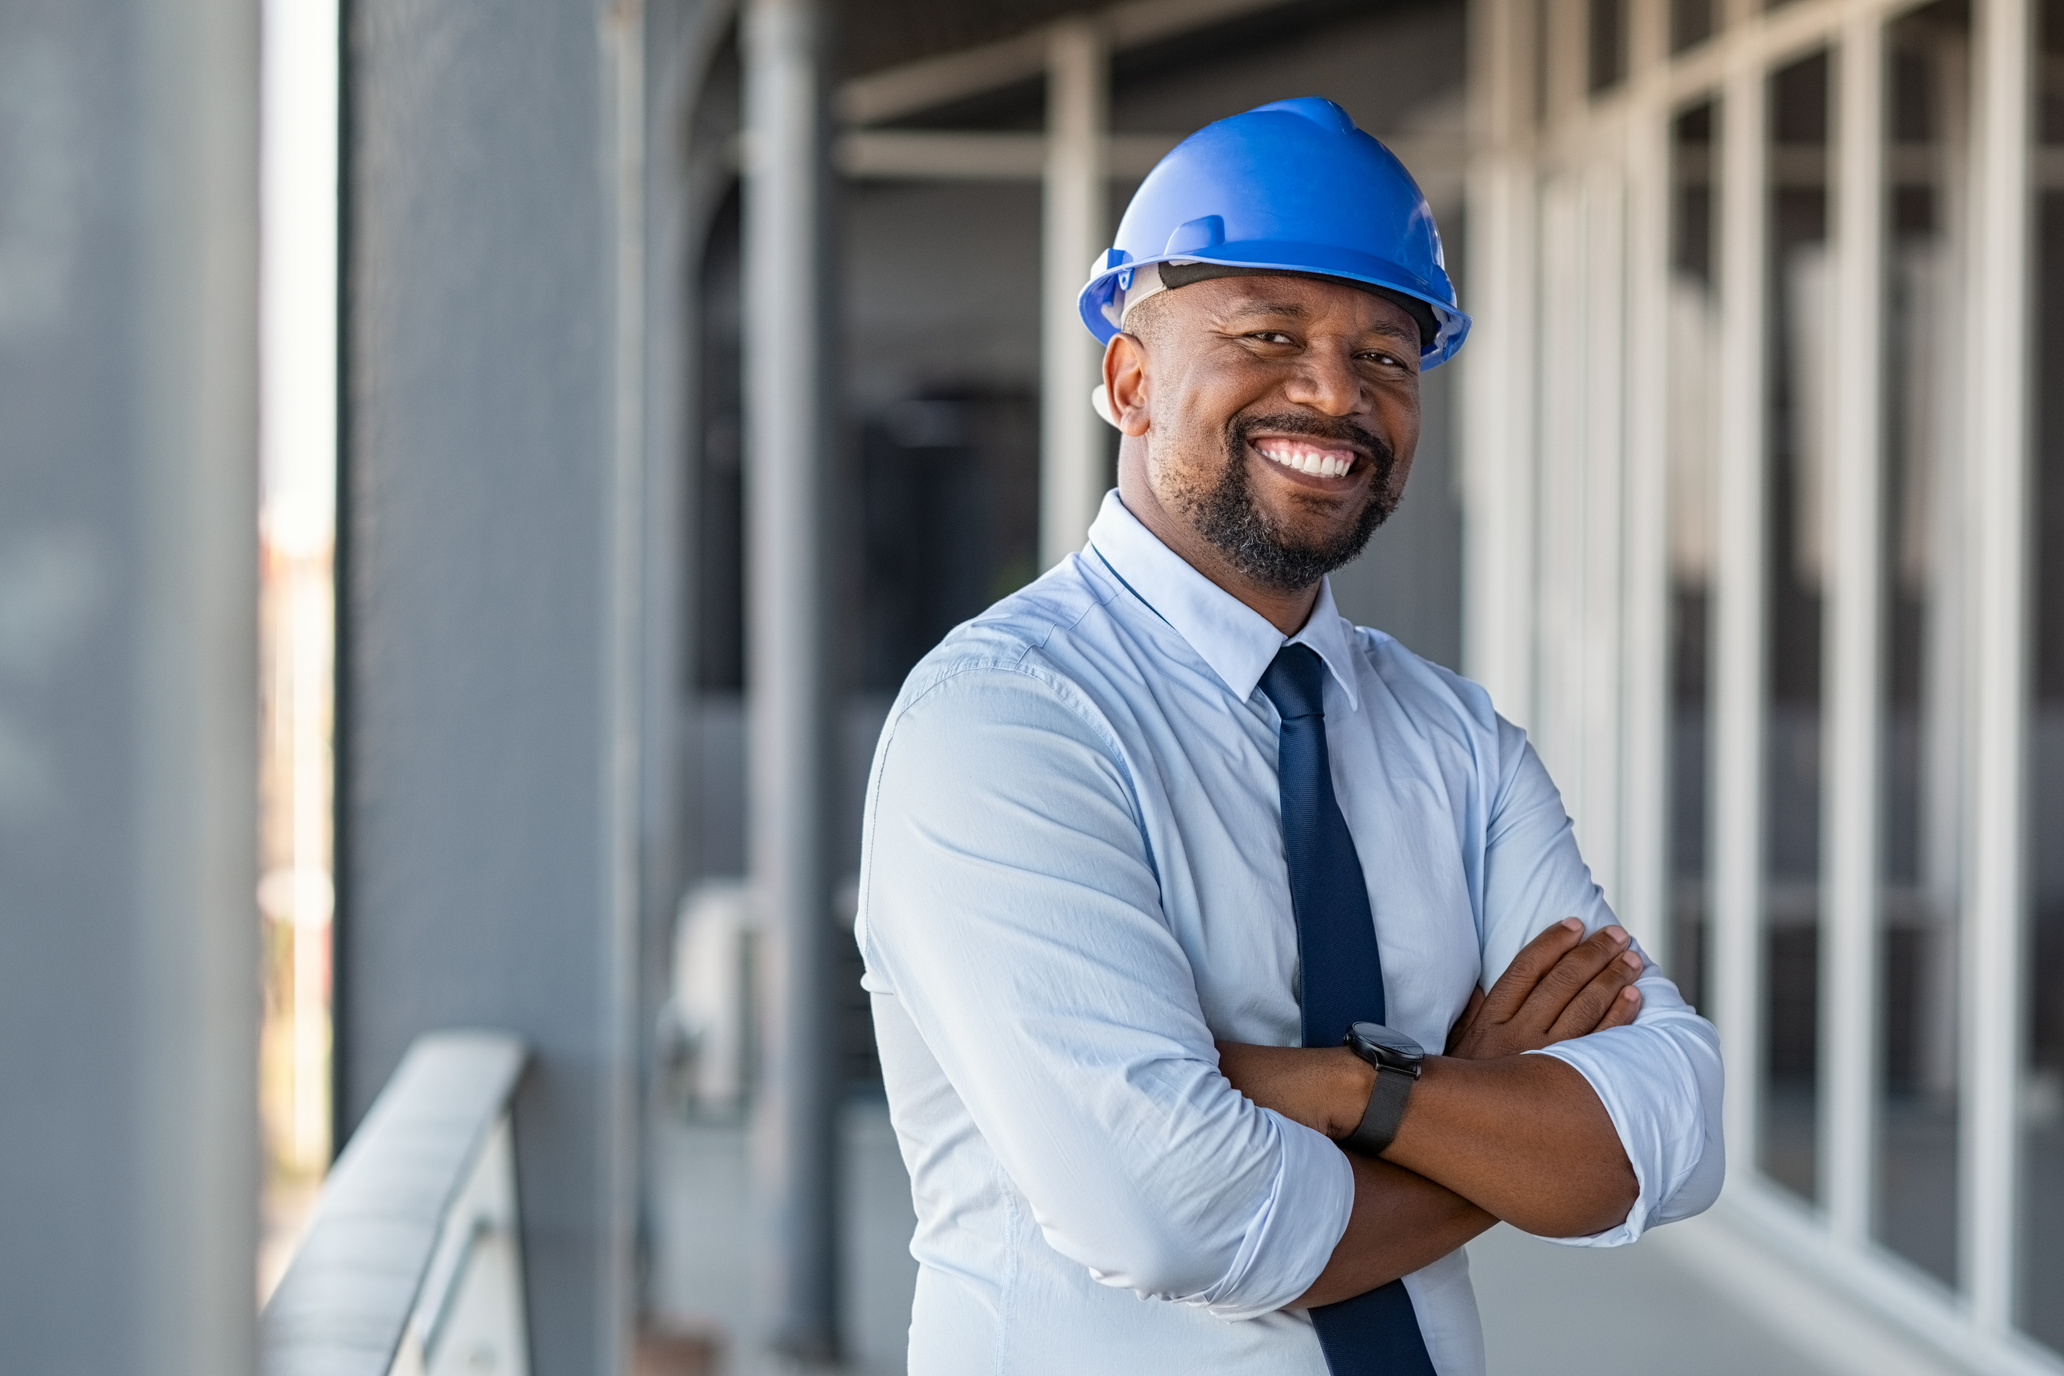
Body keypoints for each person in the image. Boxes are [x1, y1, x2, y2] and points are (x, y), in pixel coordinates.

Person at [855, 97, 1723, 1376]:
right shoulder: (1003, 723)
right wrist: (1483, 1109)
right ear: (1131, 378)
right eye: (1268, 332)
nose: (1335, 392)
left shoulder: (1456, 740)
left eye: (1386, 354)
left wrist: (1344, 1088)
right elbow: (1175, 1215)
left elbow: (1673, 1127)